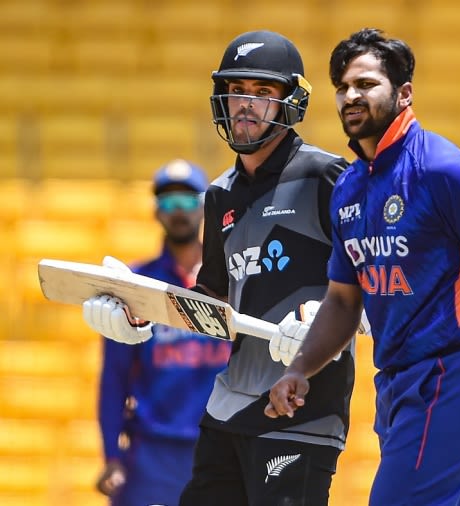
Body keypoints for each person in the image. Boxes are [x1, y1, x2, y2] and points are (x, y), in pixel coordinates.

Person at [264, 28, 460, 505]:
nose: (350, 95)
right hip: (399, 385)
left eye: (365, 84)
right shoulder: (349, 188)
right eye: (341, 87)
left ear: (404, 93)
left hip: (458, 373)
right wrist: (300, 368)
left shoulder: (444, 171)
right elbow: (342, 299)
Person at [82, 30, 353, 506]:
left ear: (291, 102)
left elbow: (374, 276)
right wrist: (141, 315)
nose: (245, 105)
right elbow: (212, 304)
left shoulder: (326, 175)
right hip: (228, 408)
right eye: (237, 92)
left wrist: (330, 318)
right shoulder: (220, 194)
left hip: (302, 409)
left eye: (262, 93)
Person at [93, 160, 231, 506]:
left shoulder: (232, 280)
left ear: (203, 207)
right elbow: (114, 378)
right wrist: (112, 456)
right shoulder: (135, 284)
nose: (178, 212)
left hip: (222, 446)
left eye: (186, 202)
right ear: (157, 212)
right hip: (152, 452)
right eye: (168, 204)